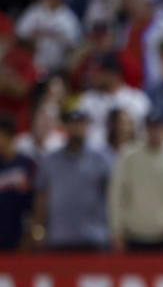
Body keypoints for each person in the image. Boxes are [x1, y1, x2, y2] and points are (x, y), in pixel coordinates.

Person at [107, 109, 163, 252]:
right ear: (145, 129)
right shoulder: (128, 156)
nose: (155, 132)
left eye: (159, 127)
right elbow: (117, 194)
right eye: (151, 127)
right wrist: (116, 230)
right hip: (132, 235)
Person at [31, 107, 114, 251]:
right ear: (65, 126)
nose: (77, 128)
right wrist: (38, 231)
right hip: (59, 237)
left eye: (81, 124)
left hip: (93, 237)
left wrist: (113, 230)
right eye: (73, 123)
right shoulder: (50, 160)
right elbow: (41, 197)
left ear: (88, 126)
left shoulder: (102, 159)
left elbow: (112, 196)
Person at [0, 114, 35, 250]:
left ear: (10, 137)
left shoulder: (27, 165)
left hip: (18, 232)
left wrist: (29, 232)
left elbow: (33, 201)